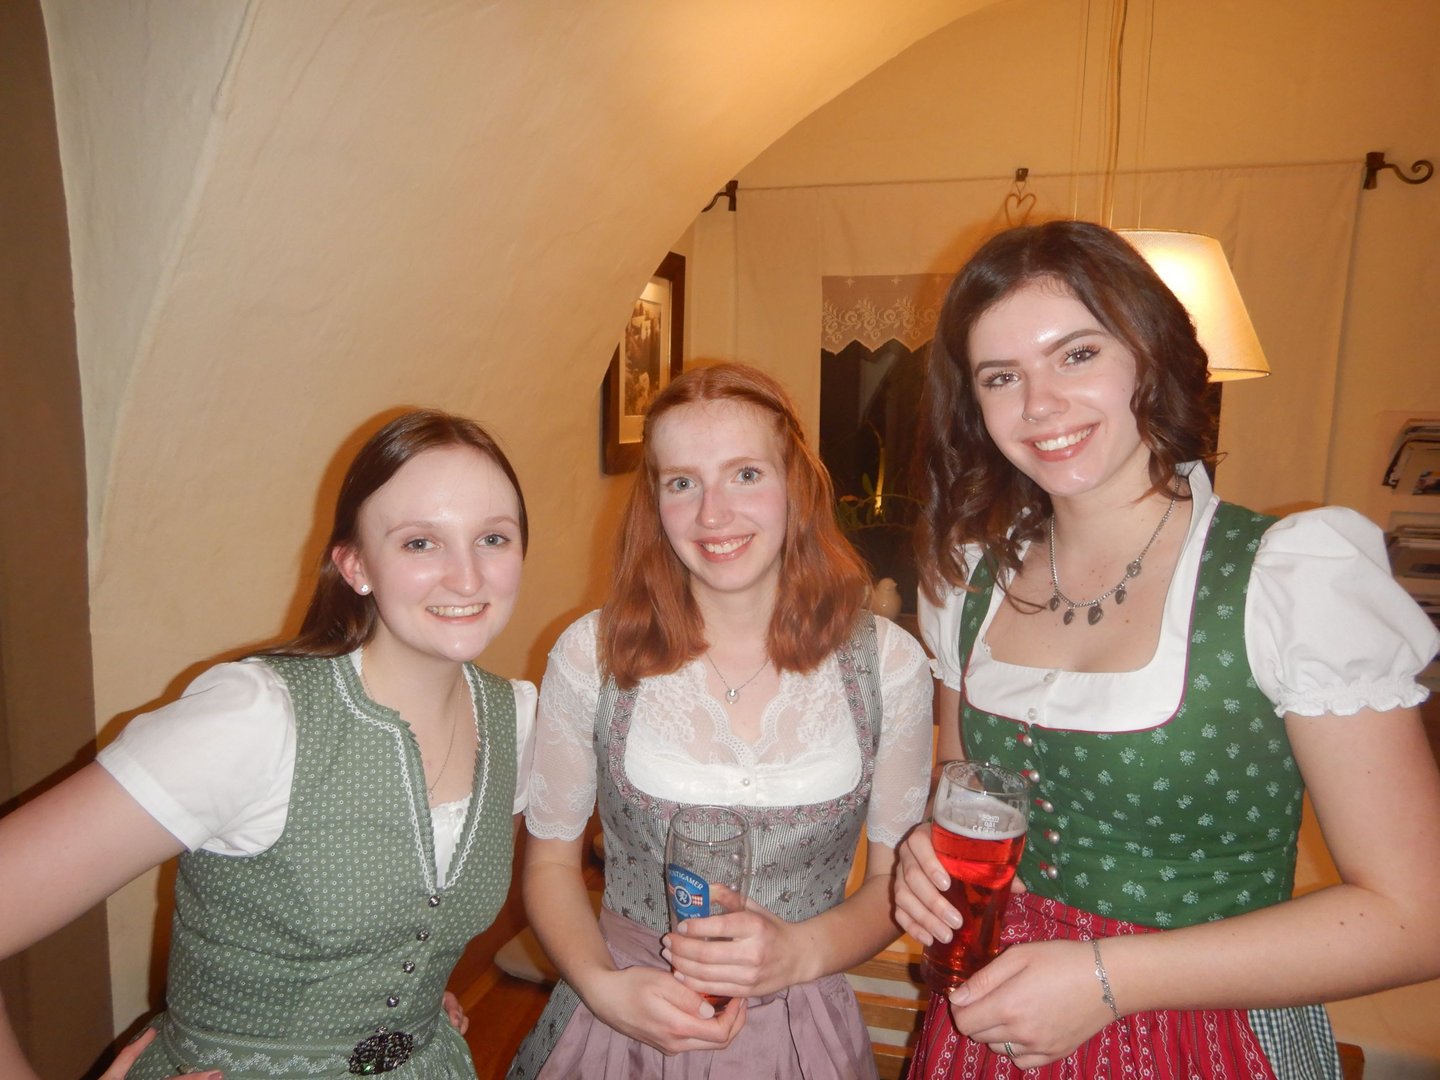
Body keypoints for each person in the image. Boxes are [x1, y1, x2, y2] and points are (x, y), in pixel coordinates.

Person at [893, 219, 1440, 1079]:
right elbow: (967, 796)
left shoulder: (1288, 579)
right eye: (1002, 377)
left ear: (1151, 355)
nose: (1039, 405)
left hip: (1207, 1037)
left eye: (1077, 355)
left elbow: (1417, 916)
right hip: (992, 1026)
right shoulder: (969, 583)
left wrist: (1110, 980)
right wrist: (925, 858)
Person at [0, 409, 537, 1079]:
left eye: (493, 538)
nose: (467, 577)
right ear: (355, 565)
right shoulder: (254, 722)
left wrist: (407, 1007)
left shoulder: (514, 720)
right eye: (420, 543)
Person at [506, 362, 934, 1078]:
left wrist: (800, 952)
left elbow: (892, 883)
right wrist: (604, 989)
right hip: (624, 1024)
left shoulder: (888, 665)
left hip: (800, 1029)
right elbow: (550, 864)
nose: (713, 515)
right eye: (683, 483)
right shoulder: (591, 653)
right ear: (655, 502)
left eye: (745, 475)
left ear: (796, 485)